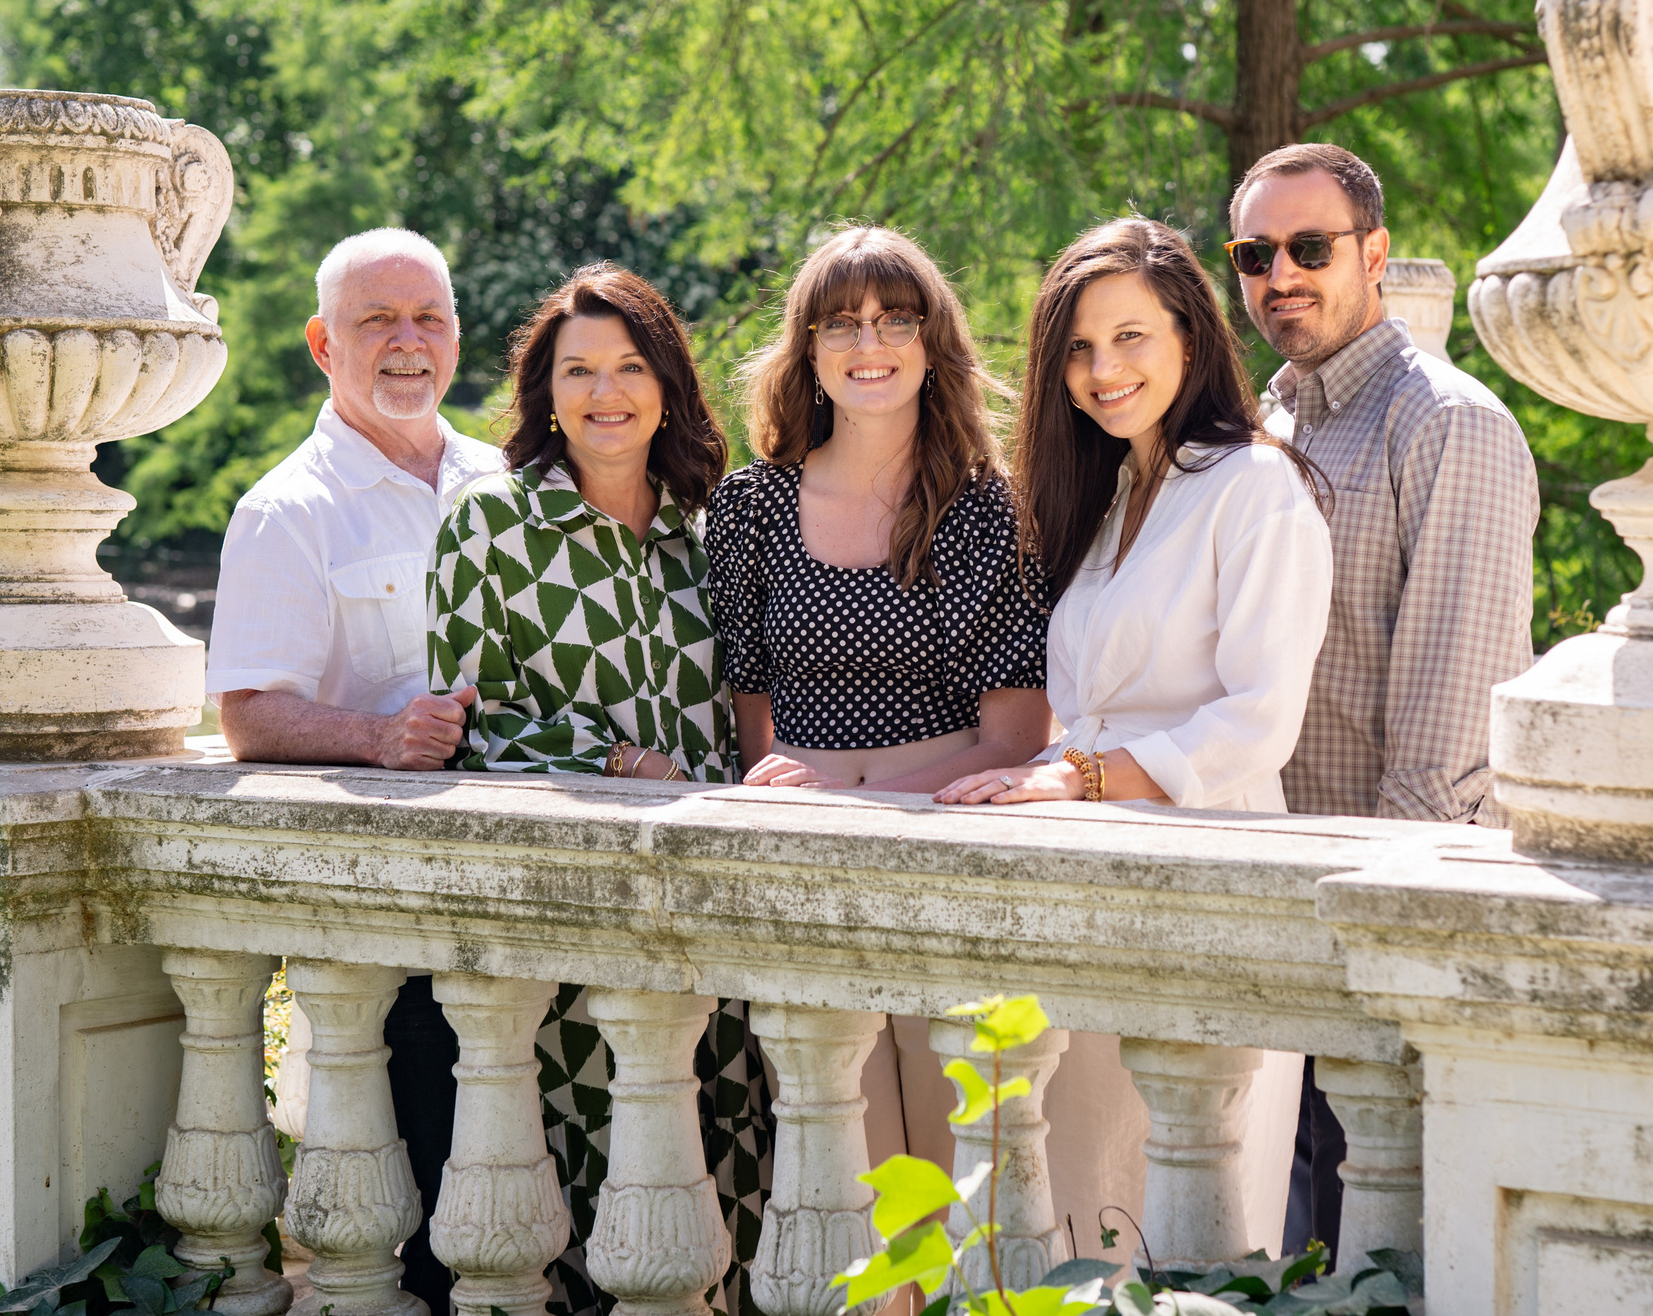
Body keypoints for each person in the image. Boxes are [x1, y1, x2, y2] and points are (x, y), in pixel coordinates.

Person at [934, 214, 1333, 1249]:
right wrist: (1030, 782)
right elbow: (1083, 710)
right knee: (1082, 1203)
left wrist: (1079, 780)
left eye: (1130, 337)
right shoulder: (1107, 498)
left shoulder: (1256, 486)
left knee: (1183, 1221)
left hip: (1210, 880)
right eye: (1077, 347)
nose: (1101, 369)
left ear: (1191, 342)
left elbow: (1257, 721)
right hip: (1090, 885)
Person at [1224, 141, 1540, 1264]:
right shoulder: (1272, 415)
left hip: (1377, 931)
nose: (1280, 277)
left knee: (1375, 1262)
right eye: (1255, 254)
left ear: (1374, 253)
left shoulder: (1447, 424)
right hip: (1273, 908)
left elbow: (1445, 751)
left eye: (1309, 248)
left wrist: (1366, 952)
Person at [428, 263, 764, 1316]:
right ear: (545, 391)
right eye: (578, 370)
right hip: (570, 924)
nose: (604, 392)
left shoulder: (713, 531)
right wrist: (619, 763)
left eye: (628, 366)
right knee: (592, 1200)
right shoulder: (489, 525)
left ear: (667, 382)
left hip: (720, 919)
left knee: (737, 1180)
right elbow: (467, 725)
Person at [704, 224, 1051, 1187]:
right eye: (842, 323)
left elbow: (1017, 738)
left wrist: (857, 795)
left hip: (945, 858)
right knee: (834, 1176)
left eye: (897, 319)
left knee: (948, 1172)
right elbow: (753, 710)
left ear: (934, 345)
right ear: (806, 350)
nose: (870, 344)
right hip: (796, 865)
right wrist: (794, 794)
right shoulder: (750, 506)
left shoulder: (991, 509)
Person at [203, 227, 503, 1312]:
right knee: (421, 1244)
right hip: (392, 949)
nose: (407, 343)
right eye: (378, 321)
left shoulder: (506, 481)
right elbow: (247, 717)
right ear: (325, 345)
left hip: (534, 914)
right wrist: (378, 738)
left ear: (457, 338)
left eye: (428, 319)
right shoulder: (289, 510)